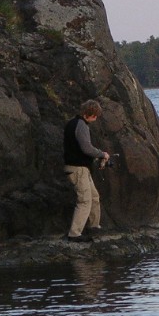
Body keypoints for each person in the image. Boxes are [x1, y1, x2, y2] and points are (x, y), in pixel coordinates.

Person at [63, 99, 110, 242]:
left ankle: (94, 226)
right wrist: (102, 154)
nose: (95, 119)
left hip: (80, 168)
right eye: (95, 116)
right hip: (78, 170)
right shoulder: (81, 125)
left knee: (94, 197)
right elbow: (86, 148)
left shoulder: (72, 123)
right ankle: (74, 234)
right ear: (91, 114)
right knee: (85, 200)